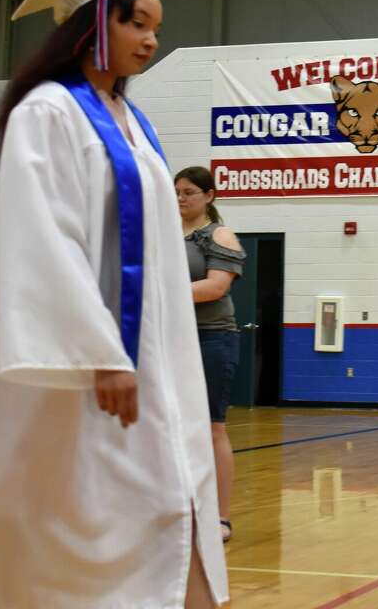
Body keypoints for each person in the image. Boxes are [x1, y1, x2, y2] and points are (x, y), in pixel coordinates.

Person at [0, 0, 228, 609]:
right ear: (91, 24)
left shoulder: (132, 122)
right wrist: (101, 351)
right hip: (80, 370)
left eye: (156, 27)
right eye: (136, 22)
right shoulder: (48, 112)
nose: (150, 40)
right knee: (74, 526)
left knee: (166, 502)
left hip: (148, 364)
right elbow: (45, 241)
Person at [175, 165, 246, 543]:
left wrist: (164, 290)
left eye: (189, 192)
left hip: (212, 339)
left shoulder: (219, 235)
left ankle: (220, 516)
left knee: (212, 426)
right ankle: (180, 511)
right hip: (172, 338)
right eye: (178, 192)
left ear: (209, 196)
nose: (182, 198)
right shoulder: (164, 234)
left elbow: (215, 287)